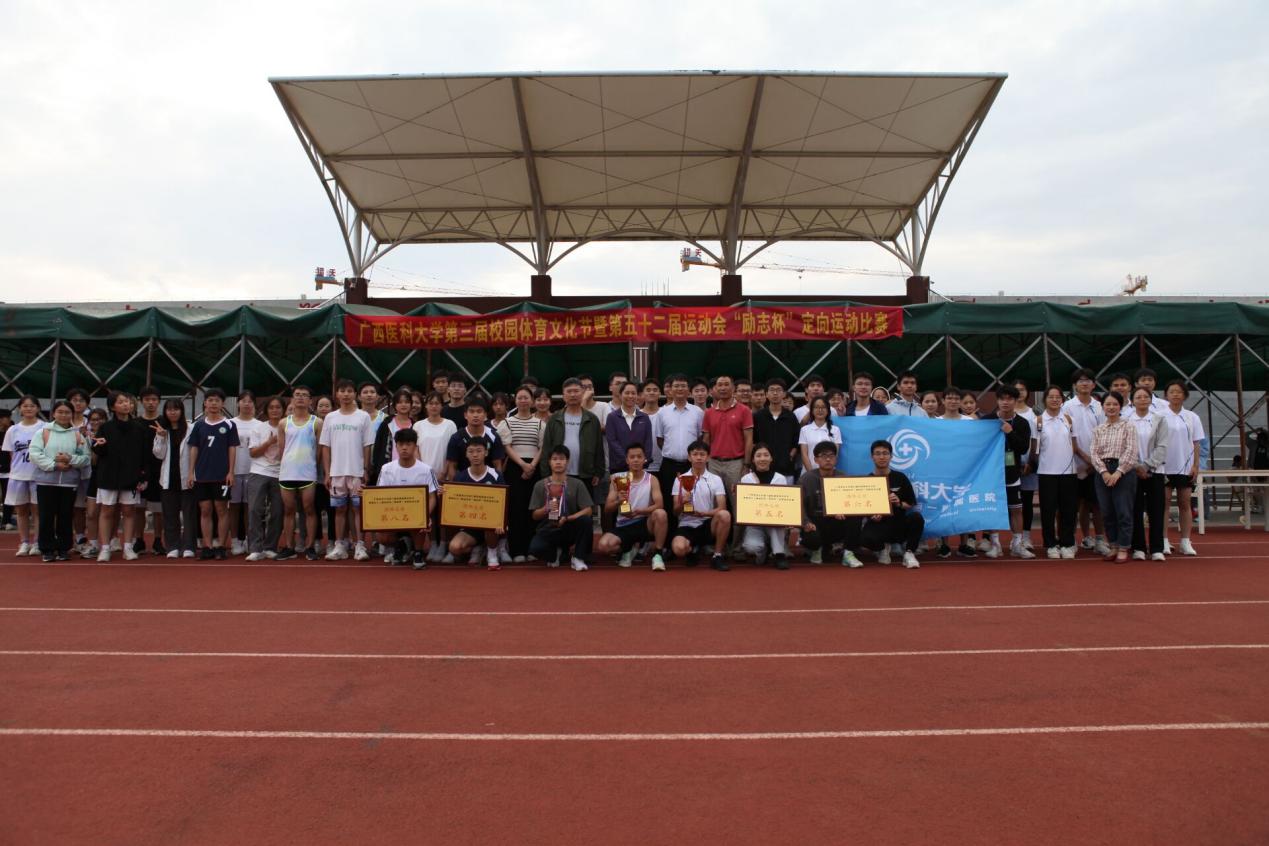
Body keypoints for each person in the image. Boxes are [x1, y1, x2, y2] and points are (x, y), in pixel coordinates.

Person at [319, 379, 376, 561]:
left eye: (349, 391)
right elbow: (325, 446)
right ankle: (340, 546)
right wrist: (327, 472)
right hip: (336, 472)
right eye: (342, 391)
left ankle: (360, 545)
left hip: (357, 471)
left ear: (355, 394)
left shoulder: (363, 417)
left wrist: (365, 469)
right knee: (340, 510)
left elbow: (367, 445)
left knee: (358, 509)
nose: (346, 394)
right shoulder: (330, 417)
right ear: (337, 394)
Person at [29, 400, 91, 562]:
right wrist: (54, 465)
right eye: (60, 412)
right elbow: (34, 454)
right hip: (46, 482)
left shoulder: (77, 435)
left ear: (72, 414)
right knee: (46, 516)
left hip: (69, 483)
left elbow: (85, 458)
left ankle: (64, 548)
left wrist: (70, 459)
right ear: (54, 414)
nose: (64, 415)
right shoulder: (43, 432)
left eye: (67, 412)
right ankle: (47, 549)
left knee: (65, 516)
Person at [92, 391, 149, 562]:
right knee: (107, 510)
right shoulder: (105, 428)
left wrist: (143, 475)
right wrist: (99, 446)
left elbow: (144, 454)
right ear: (112, 407)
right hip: (108, 475)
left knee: (129, 511)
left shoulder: (139, 428)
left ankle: (128, 547)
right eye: (121, 402)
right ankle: (105, 547)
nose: (126, 405)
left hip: (131, 476)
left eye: (128, 402)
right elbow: (98, 451)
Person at [701, 374, 753, 552]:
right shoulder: (709, 413)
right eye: (719, 385)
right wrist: (704, 464)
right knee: (713, 505)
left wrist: (746, 465)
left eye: (726, 384)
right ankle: (715, 545)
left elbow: (749, 439)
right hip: (713, 464)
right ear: (715, 389)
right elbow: (706, 439)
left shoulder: (744, 410)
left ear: (733, 388)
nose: (722, 388)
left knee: (738, 506)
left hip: (736, 464)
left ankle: (737, 547)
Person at [596, 442, 667, 570]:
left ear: (644, 459)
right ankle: (628, 549)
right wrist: (619, 501)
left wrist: (640, 511)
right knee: (603, 546)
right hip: (623, 524)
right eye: (632, 457)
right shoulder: (617, 479)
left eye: (639, 457)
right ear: (627, 460)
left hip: (644, 523)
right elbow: (607, 508)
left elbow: (659, 504)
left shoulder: (652, 479)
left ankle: (658, 555)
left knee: (661, 514)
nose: (636, 460)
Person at [186, 388, 239, 560]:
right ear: (205, 403)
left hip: (221, 475)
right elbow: (194, 448)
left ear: (222, 403)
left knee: (221, 509)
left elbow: (232, 448)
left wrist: (231, 471)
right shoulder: (198, 425)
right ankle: (207, 546)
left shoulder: (229, 425)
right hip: (202, 475)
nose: (213, 403)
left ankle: (221, 546)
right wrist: (191, 472)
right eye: (210, 400)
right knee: (205, 510)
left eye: (217, 400)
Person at [983, 385, 1035, 559]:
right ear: (997, 401)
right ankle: (995, 545)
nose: (1005, 402)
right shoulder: (987, 420)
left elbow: (1023, 448)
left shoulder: (1022, 423)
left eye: (1009, 399)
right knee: (992, 508)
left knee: (1016, 509)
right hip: (990, 473)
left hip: (1012, 472)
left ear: (1015, 400)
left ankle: (1017, 545)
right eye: (1002, 399)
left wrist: (1010, 432)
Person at [375, 428, 438, 570]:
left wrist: (425, 515)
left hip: (416, 515)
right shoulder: (386, 469)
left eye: (408, 444)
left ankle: (418, 552)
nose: (404, 448)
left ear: (415, 446)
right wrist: (366, 496)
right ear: (396, 446)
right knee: (381, 537)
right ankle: (401, 545)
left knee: (421, 522)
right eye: (401, 444)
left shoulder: (426, 469)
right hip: (394, 513)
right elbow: (379, 494)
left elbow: (432, 497)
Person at [1062, 369, 1109, 554]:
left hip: (1096, 465)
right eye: (1080, 381)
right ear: (1075, 385)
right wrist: (1083, 456)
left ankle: (1099, 539)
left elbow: (1104, 433)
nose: (1084, 383)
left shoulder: (1099, 407)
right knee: (1072, 505)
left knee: (1096, 504)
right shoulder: (1067, 407)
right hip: (1072, 464)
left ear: (1093, 384)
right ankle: (1074, 539)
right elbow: (1066, 436)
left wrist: (1094, 462)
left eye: (1088, 380)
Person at [857, 440, 923, 568]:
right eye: (877, 454)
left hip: (899, 523)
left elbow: (910, 503)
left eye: (885, 453)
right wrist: (872, 515)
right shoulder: (867, 480)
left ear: (891, 456)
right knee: (864, 538)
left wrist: (899, 503)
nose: (881, 457)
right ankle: (882, 548)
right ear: (872, 457)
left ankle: (909, 553)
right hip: (878, 524)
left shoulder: (900, 477)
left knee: (917, 518)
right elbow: (862, 506)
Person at [1090, 392, 1139, 563]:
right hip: (1102, 471)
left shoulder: (1128, 427)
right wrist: (1104, 472)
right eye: (1108, 404)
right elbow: (1094, 453)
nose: (1111, 407)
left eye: (1115, 404)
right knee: (1107, 511)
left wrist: (1118, 472)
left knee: (1123, 511)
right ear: (1103, 407)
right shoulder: (1098, 429)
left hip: (1123, 472)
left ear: (1120, 406)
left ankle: (1124, 547)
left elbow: (1131, 451)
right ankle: (1113, 545)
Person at [498, 386, 545, 563]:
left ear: (532, 401)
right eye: (520, 398)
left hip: (534, 468)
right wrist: (523, 465)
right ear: (515, 401)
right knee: (516, 510)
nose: (523, 401)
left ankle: (532, 549)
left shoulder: (540, 423)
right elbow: (507, 447)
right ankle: (517, 550)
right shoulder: (506, 423)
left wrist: (531, 465)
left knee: (533, 509)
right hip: (514, 468)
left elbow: (542, 447)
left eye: (526, 397)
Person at [528, 445, 593, 571]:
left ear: (567, 461)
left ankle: (578, 558)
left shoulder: (577, 484)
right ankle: (556, 553)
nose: (558, 462)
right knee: (535, 549)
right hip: (549, 528)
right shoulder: (540, 485)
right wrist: (546, 508)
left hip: (570, 526)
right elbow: (534, 515)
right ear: (549, 462)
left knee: (586, 521)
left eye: (562, 459)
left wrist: (568, 518)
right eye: (554, 459)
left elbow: (588, 510)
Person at [277, 386, 323, 561]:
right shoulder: (284, 423)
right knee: (289, 510)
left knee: (309, 509)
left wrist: (311, 465)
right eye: (297, 395)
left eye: (305, 395)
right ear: (292, 399)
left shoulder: (317, 422)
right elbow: (282, 449)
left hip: (307, 473)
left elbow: (318, 450)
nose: (301, 398)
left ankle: (310, 546)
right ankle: (290, 547)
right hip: (287, 472)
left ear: (310, 400)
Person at [799, 440, 862, 568]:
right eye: (823, 456)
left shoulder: (843, 477)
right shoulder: (806, 479)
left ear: (836, 459)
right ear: (816, 460)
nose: (828, 459)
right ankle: (817, 550)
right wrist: (806, 522)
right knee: (812, 538)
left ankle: (848, 553)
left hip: (836, 523)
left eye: (831, 456)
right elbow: (799, 506)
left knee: (856, 516)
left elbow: (851, 502)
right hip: (815, 524)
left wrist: (844, 510)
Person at [670, 440, 731, 571]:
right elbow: (675, 511)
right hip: (686, 524)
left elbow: (722, 507)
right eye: (695, 454)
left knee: (725, 515)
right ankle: (692, 550)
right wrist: (683, 502)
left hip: (708, 523)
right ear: (689, 457)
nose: (698, 457)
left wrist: (704, 513)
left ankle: (717, 555)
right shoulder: (680, 479)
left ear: (708, 457)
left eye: (702, 454)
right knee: (679, 549)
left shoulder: (716, 479)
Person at [1034, 386, 1080, 559]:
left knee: (1069, 510)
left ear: (1062, 400)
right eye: (1050, 397)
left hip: (1069, 472)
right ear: (1044, 399)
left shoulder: (1069, 419)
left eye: (1058, 397)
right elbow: (1035, 449)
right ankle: (1050, 544)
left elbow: (1074, 444)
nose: (1054, 400)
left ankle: (1067, 543)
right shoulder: (1038, 421)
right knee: (1048, 510)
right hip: (1046, 472)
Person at [447, 440, 507, 570]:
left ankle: (492, 553)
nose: (475, 455)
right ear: (466, 454)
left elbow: (503, 502)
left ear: (486, 453)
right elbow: (454, 504)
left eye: (479, 451)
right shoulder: (460, 477)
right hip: (470, 526)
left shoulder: (496, 475)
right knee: (454, 548)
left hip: (491, 525)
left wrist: (501, 522)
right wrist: (445, 495)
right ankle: (478, 547)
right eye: (471, 451)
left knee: (491, 522)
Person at [540, 378, 605, 497]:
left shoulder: (592, 419)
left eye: (576, 391)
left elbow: (599, 448)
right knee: (558, 506)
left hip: (586, 473)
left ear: (582, 393)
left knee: (584, 506)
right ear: (563, 395)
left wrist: (598, 472)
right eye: (569, 391)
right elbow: (547, 448)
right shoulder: (555, 418)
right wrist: (546, 474)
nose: (573, 394)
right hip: (558, 473)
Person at [654, 374, 704, 526]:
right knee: (669, 501)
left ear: (688, 390)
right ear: (670, 390)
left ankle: (691, 532)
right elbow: (660, 439)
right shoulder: (662, 412)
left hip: (691, 465)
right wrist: (673, 452)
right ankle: (670, 537)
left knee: (693, 499)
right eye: (676, 386)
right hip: (669, 465)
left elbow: (700, 438)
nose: (680, 389)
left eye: (683, 386)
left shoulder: (697, 412)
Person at [414, 391, 458, 563]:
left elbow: (452, 451)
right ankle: (432, 543)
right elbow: (416, 449)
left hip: (444, 474)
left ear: (442, 406)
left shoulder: (450, 425)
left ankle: (444, 544)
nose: (433, 406)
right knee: (430, 511)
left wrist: (444, 471)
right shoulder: (418, 425)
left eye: (437, 403)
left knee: (443, 512)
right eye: (430, 403)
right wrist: (424, 471)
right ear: (426, 406)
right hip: (424, 475)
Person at [1160, 379, 1203, 556]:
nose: (1175, 394)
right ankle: (1163, 540)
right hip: (1164, 467)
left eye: (1179, 392)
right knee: (1164, 504)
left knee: (1185, 503)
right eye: (1172, 392)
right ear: (1166, 395)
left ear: (1185, 395)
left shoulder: (1192, 417)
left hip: (1185, 467)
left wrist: (1195, 465)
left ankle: (1185, 541)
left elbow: (1196, 443)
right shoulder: (1159, 416)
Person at [151, 398, 197, 559]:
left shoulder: (191, 428)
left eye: (176, 409)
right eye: (169, 409)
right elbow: (159, 454)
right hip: (168, 479)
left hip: (187, 477)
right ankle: (172, 546)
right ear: (165, 412)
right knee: (170, 515)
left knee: (189, 514)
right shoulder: (162, 430)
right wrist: (161, 437)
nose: (173, 412)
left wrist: (192, 473)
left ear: (181, 411)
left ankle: (189, 546)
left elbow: (195, 451)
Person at [1128, 386, 1169, 561]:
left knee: (1156, 510)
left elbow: (1162, 446)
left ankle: (1157, 548)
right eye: (1138, 397)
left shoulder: (1159, 419)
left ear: (1151, 400)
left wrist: (1147, 466)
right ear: (1132, 401)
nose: (1142, 399)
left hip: (1155, 471)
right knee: (1135, 510)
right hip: (1132, 472)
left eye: (1146, 396)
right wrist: (1137, 467)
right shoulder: (1126, 420)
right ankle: (1138, 547)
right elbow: (1125, 447)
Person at [244, 395, 286, 561]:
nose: (275, 410)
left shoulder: (288, 427)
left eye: (278, 407)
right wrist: (269, 442)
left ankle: (271, 547)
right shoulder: (258, 428)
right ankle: (255, 548)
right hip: (259, 472)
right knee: (255, 509)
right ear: (266, 410)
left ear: (283, 410)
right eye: (271, 407)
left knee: (278, 511)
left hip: (281, 473)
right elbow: (253, 453)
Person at [2, 396, 44, 556]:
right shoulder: (13, 430)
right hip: (18, 475)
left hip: (38, 475)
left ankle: (37, 542)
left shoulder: (44, 427)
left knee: (37, 511)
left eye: (32, 406)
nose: (28, 409)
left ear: (38, 408)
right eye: (25, 406)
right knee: (21, 510)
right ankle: (24, 542)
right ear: (20, 409)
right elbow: (12, 454)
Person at [738, 443, 792, 569]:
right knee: (751, 547)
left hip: (775, 521)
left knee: (777, 523)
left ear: (771, 458)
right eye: (758, 456)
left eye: (766, 455)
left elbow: (784, 505)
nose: (762, 459)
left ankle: (779, 554)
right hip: (754, 522)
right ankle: (764, 551)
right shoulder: (746, 479)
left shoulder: (780, 479)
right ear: (753, 459)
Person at [228, 390, 267, 556]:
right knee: (234, 507)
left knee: (250, 508)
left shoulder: (260, 425)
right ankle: (235, 540)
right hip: (234, 471)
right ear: (238, 403)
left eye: (250, 401)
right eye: (243, 401)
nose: (246, 404)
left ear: (254, 404)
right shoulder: (229, 423)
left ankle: (248, 540)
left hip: (254, 471)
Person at [135, 386, 164, 555]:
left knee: (159, 510)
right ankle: (138, 540)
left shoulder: (164, 422)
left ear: (159, 402)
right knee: (138, 508)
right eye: (147, 399)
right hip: (139, 472)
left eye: (154, 399)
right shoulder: (135, 423)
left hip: (159, 471)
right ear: (141, 402)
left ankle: (158, 540)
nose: (151, 403)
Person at [753, 378, 800, 481]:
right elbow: (753, 440)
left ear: (784, 394)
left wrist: (791, 455)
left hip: (786, 467)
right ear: (766, 394)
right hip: (763, 468)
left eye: (778, 390)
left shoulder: (791, 417)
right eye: (772, 390)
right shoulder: (758, 416)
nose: (775, 393)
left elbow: (796, 440)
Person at [1012, 379, 1039, 551]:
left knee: (1027, 502)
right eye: (1016, 390)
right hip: (1011, 465)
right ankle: (1015, 538)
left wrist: (1031, 462)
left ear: (1027, 392)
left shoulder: (1034, 414)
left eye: (1022, 389)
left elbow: (1036, 440)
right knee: (1013, 503)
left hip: (1029, 464)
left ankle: (1027, 537)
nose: (1019, 392)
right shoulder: (1006, 412)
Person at [369, 389, 416, 486]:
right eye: (400, 402)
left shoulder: (415, 425)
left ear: (411, 404)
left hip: (409, 468)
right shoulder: (387, 423)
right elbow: (378, 446)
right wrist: (377, 467)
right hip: (388, 468)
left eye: (406, 402)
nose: (403, 405)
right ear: (394, 405)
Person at [605, 381, 653, 475]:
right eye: (627, 393)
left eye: (633, 393)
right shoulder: (612, 417)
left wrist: (642, 460)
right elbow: (612, 441)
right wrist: (628, 459)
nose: (630, 396)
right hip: (619, 467)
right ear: (620, 395)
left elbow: (648, 442)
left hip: (640, 467)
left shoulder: (644, 417)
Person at [797, 395, 843, 474]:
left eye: (823, 407)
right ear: (812, 411)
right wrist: (812, 474)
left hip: (829, 473)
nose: (820, 410)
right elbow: (804, 455)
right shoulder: (804, 430)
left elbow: (835, 454)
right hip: (808, 474)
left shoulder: (835, 430)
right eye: (817, 407)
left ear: (828, 410)